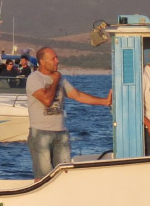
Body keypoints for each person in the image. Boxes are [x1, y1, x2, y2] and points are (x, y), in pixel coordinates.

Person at [26, 46, 112, 180]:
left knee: (64, 175)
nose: (57, 61)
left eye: (57, 58)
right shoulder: (34, 79)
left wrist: (105, 102)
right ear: (42, 62)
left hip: (61, 133)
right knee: (43, 176)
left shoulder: (60, 78)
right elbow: (47, 100)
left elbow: (77, 95)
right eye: (53, 58)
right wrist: (55, 79)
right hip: (41, 133)